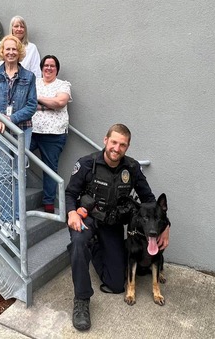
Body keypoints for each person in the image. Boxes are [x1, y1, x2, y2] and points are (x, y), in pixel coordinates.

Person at [66, 124, 170, 331]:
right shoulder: (87, 164)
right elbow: (70, 193)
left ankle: (94, 247)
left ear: (127, 147)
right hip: (87, 220)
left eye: (122, 144)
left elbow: (149, 199)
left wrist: (166, 226)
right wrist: (70, 212)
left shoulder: (132, 168)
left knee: (115, 285)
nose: (117, 148)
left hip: (112, 225)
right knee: (78, 242)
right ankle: (81, 301)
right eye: (114, 142)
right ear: (105, 140)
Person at [0, 35, 37, 234]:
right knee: (4, 175)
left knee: (19, 175)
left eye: (14, 49)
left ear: (20, 52)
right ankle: (6, 219)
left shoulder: (29, 76)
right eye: (8, 49)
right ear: (2, 52)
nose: (11, 52)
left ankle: (18, 217)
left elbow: (31, 105)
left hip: (22, 128)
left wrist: (9, 120)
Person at [30, 55, 71, 213]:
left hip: (54, 134)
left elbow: (60, 102)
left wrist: (37, 99)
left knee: (49, 168)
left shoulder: (63, 85)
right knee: (17, 157)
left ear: (57, 69)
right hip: (31, 131)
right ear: (41, 68)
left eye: (52, 66)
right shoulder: (33, 83)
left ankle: (48, 204)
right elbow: (26, 103)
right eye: (46, 65)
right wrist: (49, 103)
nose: (48, 68)